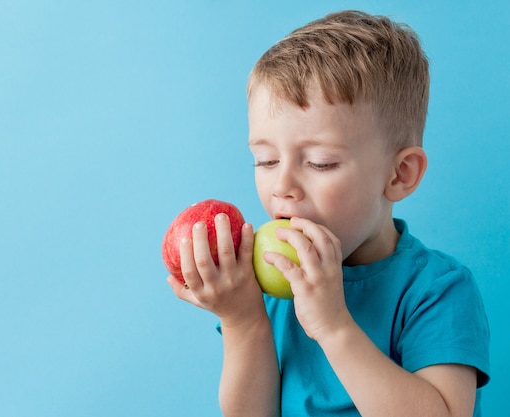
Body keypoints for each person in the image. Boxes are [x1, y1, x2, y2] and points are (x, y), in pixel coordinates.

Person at [167, 10, 490, 417]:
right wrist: (243, 320)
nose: (282, 185)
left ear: (399, 175)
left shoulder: (437, 290)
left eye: (320, 163)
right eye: (266, 161)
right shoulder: (272, 279)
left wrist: (334, 326)